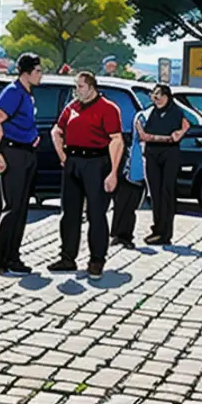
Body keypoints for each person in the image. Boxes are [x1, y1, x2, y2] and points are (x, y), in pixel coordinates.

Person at [50, 71, 124, 279]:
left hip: (96, 162)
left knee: (96, 213)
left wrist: (113, 172)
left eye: (80, 87)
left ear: (92, 87)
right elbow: (57, 130)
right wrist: (62, 155)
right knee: (69, 212)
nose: (77, 91)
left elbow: (116, 140)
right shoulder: (72, 107)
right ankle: (67, 257)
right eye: (76, 87)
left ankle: (97, 260)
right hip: (73, 161)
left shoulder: (108, 108)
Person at [0, 52, 43, 276]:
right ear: (27, 72)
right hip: (13, 152)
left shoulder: (27, 94)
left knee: (21, 208)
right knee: (12, 207)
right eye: (38, 71)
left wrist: (33, 136)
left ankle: (13, 256)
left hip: (27, 152)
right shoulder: (12, 92)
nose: (41, 75)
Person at [138, 84, 189, 246]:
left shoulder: (176, 111)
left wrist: (180, 133)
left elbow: (185, 127)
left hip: (170, 154)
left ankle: (165, 232)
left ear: (168, 96)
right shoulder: (149, 112)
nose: (157, 98)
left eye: (160, 95)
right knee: (155, 192)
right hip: (152, 154)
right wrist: (162, 138)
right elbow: (143, 134)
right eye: (155, 95)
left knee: (167, 192)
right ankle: (157, 229)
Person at [109, 113, 146, 249]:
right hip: (125, 171)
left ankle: (125, 235)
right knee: (120, 203)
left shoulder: (143, 117)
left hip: (138, 173)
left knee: (131, 206)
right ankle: (117, 235)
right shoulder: (125, 138)